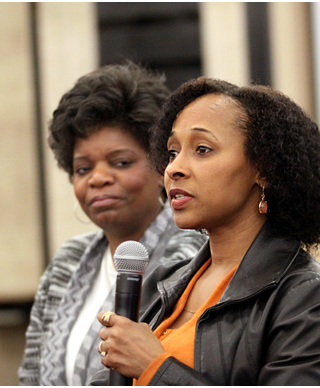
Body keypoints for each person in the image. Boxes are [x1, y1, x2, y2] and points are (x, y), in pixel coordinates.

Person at [94, 77, 320, 385]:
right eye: (172, 152)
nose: (173, 168)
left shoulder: (309, 300)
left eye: (203, 149)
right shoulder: (161, 284)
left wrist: (155, 368)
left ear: (263, 169)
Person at [18, 63, 207, 386]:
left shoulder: (195, 255)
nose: (99, 178)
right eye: (82, 168)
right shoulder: (68, 261)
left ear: (162, 165)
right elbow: (31, 375)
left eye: (121, 162)